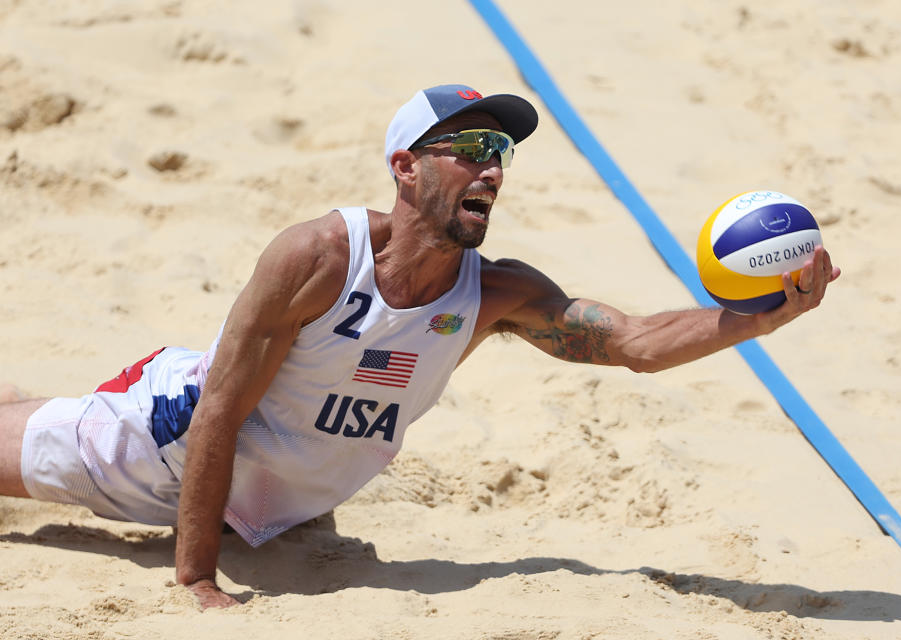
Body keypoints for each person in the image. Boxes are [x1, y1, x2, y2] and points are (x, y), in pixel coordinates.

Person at [0, 83, 840, 609]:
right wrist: (195, 578)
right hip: (162, 447)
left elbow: (632, 344)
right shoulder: (320, 256)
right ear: (405, 167)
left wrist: (760, 319)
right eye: (471, 149)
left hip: (273, 502)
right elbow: (219, 407)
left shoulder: (496, 292)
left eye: (501, 152)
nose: (494, 170)